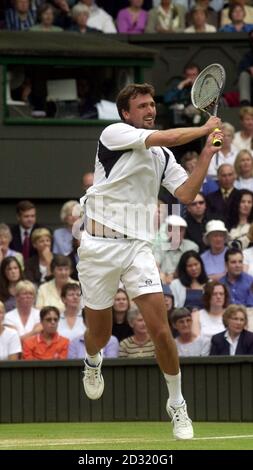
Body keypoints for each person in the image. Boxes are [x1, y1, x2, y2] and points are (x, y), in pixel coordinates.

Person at [77, 82, 222, 440]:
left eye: (152, 104)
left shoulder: (164, 157)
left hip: (136, 248)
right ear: (126, 113)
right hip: (97, 247)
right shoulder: (114, 133)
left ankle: (177, 404)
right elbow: (169, 138)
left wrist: (207, 151)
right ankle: (93, 361)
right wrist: (203, 128)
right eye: (141, 106)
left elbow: (186, 193)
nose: (149, 110)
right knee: (100, 333)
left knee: (161, 328)